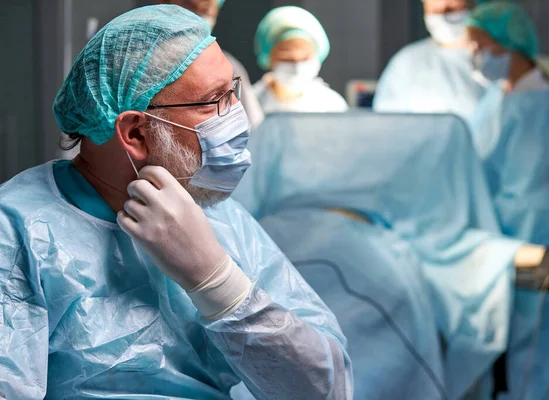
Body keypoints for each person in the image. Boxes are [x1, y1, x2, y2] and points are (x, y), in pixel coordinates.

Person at [0, 6, 353, 399]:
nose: (236, 117)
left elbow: (326, 390)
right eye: (212, 101)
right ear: (135, 132)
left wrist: (218, 284)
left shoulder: (217, 216)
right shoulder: (18, 233)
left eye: (232, 91)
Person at [233, 111, 549, 400]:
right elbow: (466, 252)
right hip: (322, 257)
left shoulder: (250, 228)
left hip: (341, 264)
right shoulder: (253, 227)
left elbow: (468, 248)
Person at [465, 2, 549, 399]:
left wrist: (516, 252)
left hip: (533, 259)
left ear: (505, 46)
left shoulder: (547, 106)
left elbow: (536, 201)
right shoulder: (497, 98)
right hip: (499, 253)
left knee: (536, 369)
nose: (474, 56)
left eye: (478, 45)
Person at [374, 0, 488, 121]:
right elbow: (387, 124)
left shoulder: (494, 59)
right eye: (433, 9)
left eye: (452, 8)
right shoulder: (407, 62)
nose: (442, 16)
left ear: (474, 6)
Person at [158, 0, 265, 129]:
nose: (198, 18)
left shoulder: (227, 65)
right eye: (191, 8)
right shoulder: (153, 61)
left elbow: (250, 122)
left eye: (206, 12)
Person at [253, 6, 348, 114]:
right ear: (268, 58)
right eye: (287, 58)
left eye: (305, 58)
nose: (297, 67)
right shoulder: (249, 103)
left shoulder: (332, 105)